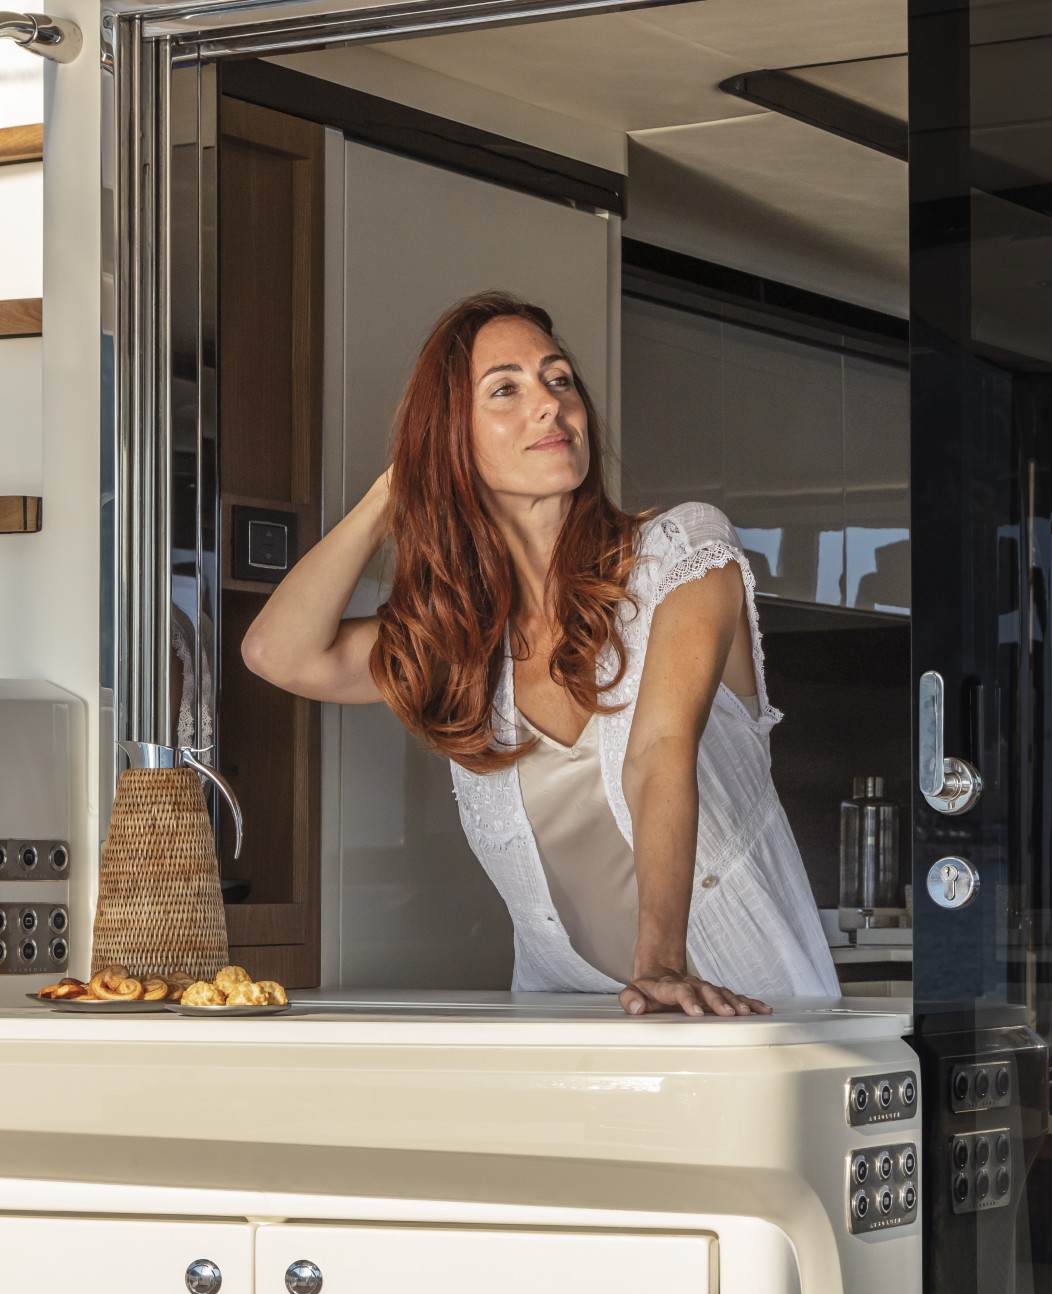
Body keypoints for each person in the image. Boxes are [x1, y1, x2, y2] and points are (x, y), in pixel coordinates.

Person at [242, 291, 840, 1017]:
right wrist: (396, 488)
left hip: (744, 1004)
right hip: (566, 1020)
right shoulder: (461, 642)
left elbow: (658, 752)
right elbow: (276, 651)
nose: (550, 404)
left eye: (559, 379)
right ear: (451, 440)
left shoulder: (682, 555)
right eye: (506, 389)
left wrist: (658, 963)